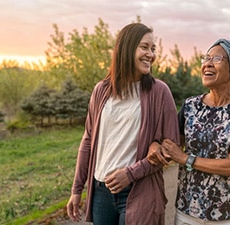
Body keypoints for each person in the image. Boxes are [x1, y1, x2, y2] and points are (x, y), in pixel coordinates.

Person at [66, 22, 179, 225]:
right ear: (126, 48)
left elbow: (170, 148)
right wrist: (77, 189)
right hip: (101, 191)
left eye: (153, 49)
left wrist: (130, 174)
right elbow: (88, 140)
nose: (151, 54)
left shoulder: (160, 92)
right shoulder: (101, 90)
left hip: (140, 189)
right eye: (144, 47)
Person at [159, 39, 230, 224]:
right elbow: (169, 145)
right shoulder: (190, 105)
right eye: (205, 58)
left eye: (216, 58)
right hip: (187, 212)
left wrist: (184, 159)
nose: (207, 63)